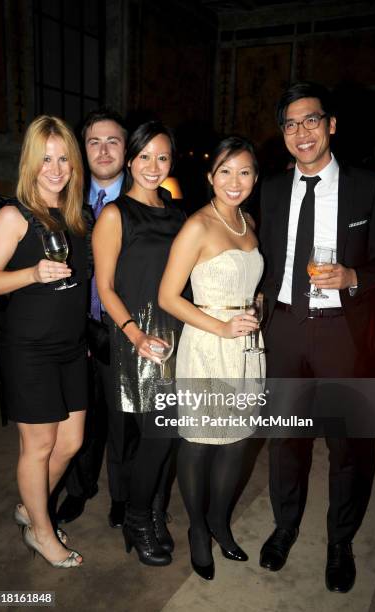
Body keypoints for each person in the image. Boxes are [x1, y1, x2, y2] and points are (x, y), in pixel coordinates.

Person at [258, 81, 375, 593]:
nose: (301, 132)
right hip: (287, 329)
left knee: (349, 447)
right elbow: (265, 260)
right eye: (290, 124)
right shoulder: (270, 188)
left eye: (311, 120)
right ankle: (285, 526)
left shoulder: (368, 186)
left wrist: (353, 277)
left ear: (331, 124)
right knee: (285, 439)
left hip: (345, 332)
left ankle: (340, 542)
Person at [159, 136, 264, 580]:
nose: (234, 181)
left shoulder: (248, 221)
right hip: (206, 344)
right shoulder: (197, 226)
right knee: (200, 443)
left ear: (255, 178)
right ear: (210, 177)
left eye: (243, 171)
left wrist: (254, 304)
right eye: (225, 171)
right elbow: (167, 296)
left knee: (238, 441)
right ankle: (198, 530)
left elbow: (247, 281)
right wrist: (221, 326)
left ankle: (219, 520)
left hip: (247, 349)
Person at [0, 116, 89, 567]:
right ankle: (43, 533)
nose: (56, 167)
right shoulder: (15, 215)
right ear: (30, 162)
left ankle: (32, 507)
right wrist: (31, 273)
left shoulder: (76, 217)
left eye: (63, 157)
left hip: (71, 348)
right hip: (28, 350)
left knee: (70, 443)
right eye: (46, 158)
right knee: (40, 446)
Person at [92, 120, 185, 566]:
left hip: (178, 332)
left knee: (168, 435)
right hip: (140, 335)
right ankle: (137, 515)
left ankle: (149, 510)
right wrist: (134, 334)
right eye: (145, 156)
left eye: (162, 157)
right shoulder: (116, 214)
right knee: (154, 436)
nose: (153, 166)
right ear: (130, 160)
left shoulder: (176, 210)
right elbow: (105, 287)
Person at [56, 107, 137, 530]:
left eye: (113, 141)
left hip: (121, 328)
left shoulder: (145, 198)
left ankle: (122, 496)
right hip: (72, 328)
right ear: (82, 150)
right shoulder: (64, 196)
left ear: (127, 149)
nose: (103, 150)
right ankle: (79, 487)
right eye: (93, 141)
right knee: (76, 414)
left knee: (122, 420)